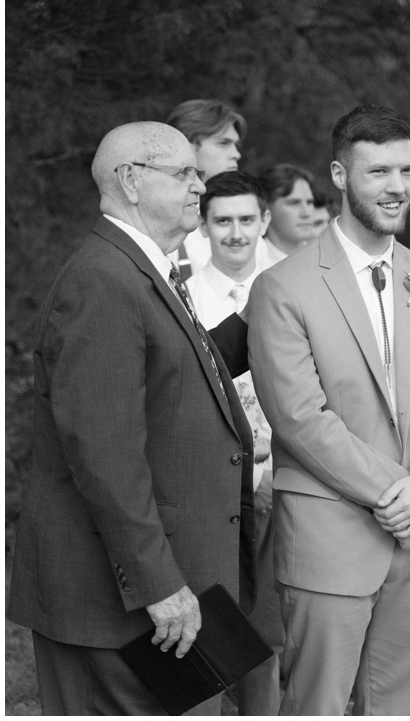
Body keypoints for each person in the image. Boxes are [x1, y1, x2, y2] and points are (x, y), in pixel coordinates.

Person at [8, 122, 256, 715]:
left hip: (167, 576)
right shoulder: (102, 281)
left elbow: (172, 383)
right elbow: (104, 453)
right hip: (119, 598)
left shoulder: (142, 269)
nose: (202, 185)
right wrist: (159, 584)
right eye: (186, 173)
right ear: (131, 181)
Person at [248, 104, 410, 715]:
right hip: (331, 537)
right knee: (314, 707)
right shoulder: (283, 288)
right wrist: (405, 495)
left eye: (407, 170)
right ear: (341, 176)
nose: (397, 187)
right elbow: (300, 418)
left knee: (397, 706)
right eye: (378, 172)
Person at [185, 171, 283, 716]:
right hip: (214, 486)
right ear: (204, 226)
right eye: (223, 220)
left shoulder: (290, 289)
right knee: (207, 628)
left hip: (280, 479)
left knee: (266, 630)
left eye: (247, 219)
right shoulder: (183, 300)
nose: (237, 232)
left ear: (265, 221)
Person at [166, 99, 248, 279]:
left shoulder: (246, 217)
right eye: (224, 143)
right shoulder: (158, 222)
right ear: (186, 145)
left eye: (236, 144)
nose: (236, 154)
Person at [257, 164, 319, 266]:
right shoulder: (254, 266)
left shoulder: (329, 260)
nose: (306, 213)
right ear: (266, 208)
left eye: (309, 202)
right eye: (294, 203)